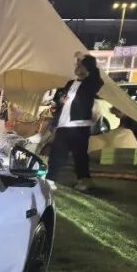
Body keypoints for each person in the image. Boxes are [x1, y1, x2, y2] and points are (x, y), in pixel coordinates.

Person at [48, 53, 103, 191]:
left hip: (79, 126)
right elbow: (59, 97)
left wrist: (84, 58)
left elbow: (96, 75)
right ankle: (50, 179)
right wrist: (60, 99)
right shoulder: (70, 83)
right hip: (63, 124)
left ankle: (84, 180)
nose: (77, 67)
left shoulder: (91, 84)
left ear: (87, 68)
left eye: (80, 65)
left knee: (80, 156)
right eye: (77, 65)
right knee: (56, 153)